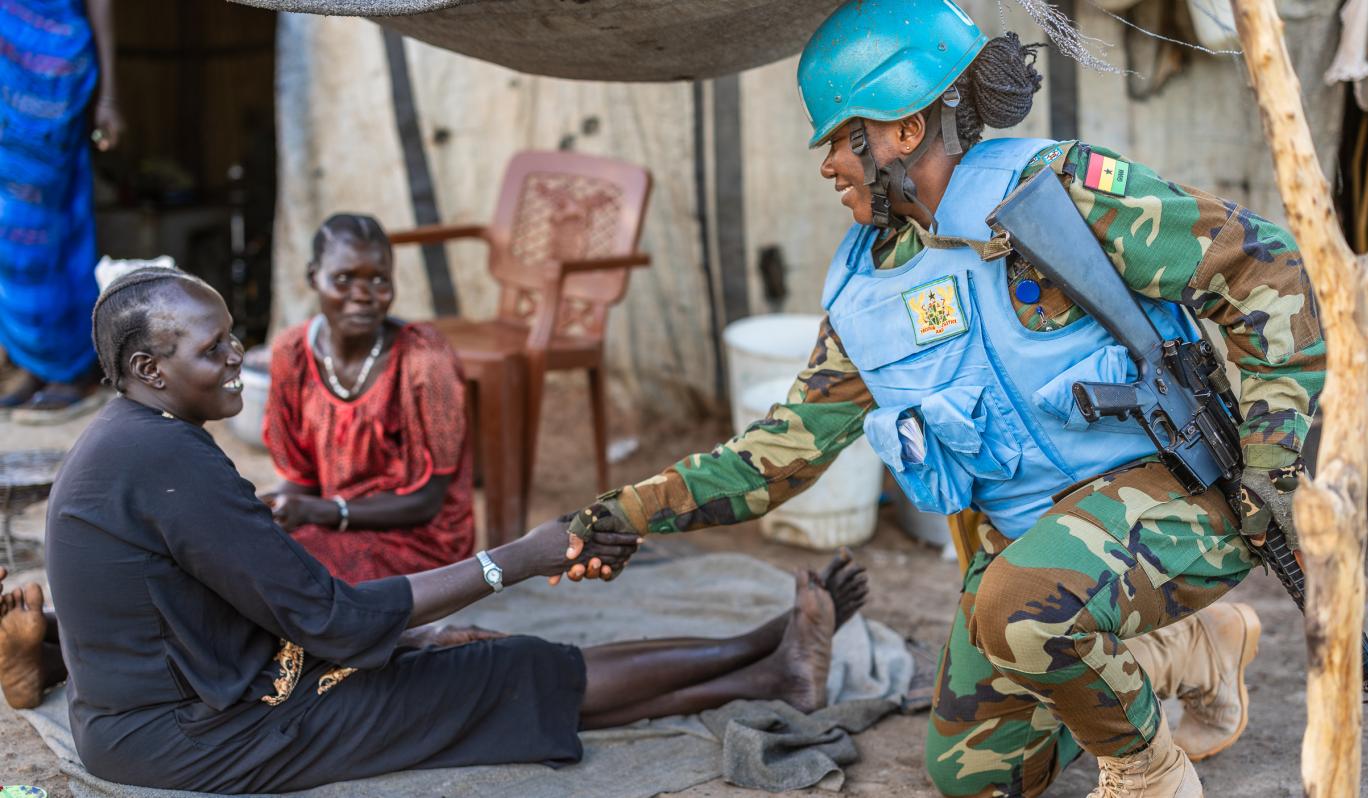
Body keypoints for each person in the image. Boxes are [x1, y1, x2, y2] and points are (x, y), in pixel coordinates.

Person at [554, 1, 1324, 796]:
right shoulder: (865, 288)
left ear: (904, 131)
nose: (827, 165)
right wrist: (629, 513)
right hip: (1033, 548)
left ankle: (1145, 770)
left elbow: (1262, 265)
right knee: (975, 776)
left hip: (1182, 496)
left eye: (838, 136)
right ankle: (1190, 652)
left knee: (1023, 607)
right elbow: (779, 454)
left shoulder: (1059, 195)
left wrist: (1271, 456)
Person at [0, 266, 869, 793]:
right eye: (213, 349)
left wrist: (396, 632)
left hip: (190, 703)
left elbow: (283, 605)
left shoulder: (136, 442)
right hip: (197, 736)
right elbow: (329, 616)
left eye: (235, 339)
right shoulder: (163, 461)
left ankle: (766, 657)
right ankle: (770, 664)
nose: (238, 359)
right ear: (149, 369)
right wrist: (517, 559)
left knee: (454, 654)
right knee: (499, 669)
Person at [260, 213, 476, 583]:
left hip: (420, 538)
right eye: (343, 279)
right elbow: (302, 478)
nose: (363, 296)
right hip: (331, 521)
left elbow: (427, 502)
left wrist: (323, 512)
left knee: (293, 572)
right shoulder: (291, 353)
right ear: (314, 278)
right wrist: (275, 509)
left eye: (378, 280)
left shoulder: (424, 361)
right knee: (245, 549)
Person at [0, 0, 124, 419]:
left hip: (54, 74)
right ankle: (34, 363)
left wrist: (109, 98)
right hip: (8, 71)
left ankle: (71, 370)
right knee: (7, 232)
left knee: (46, 229)